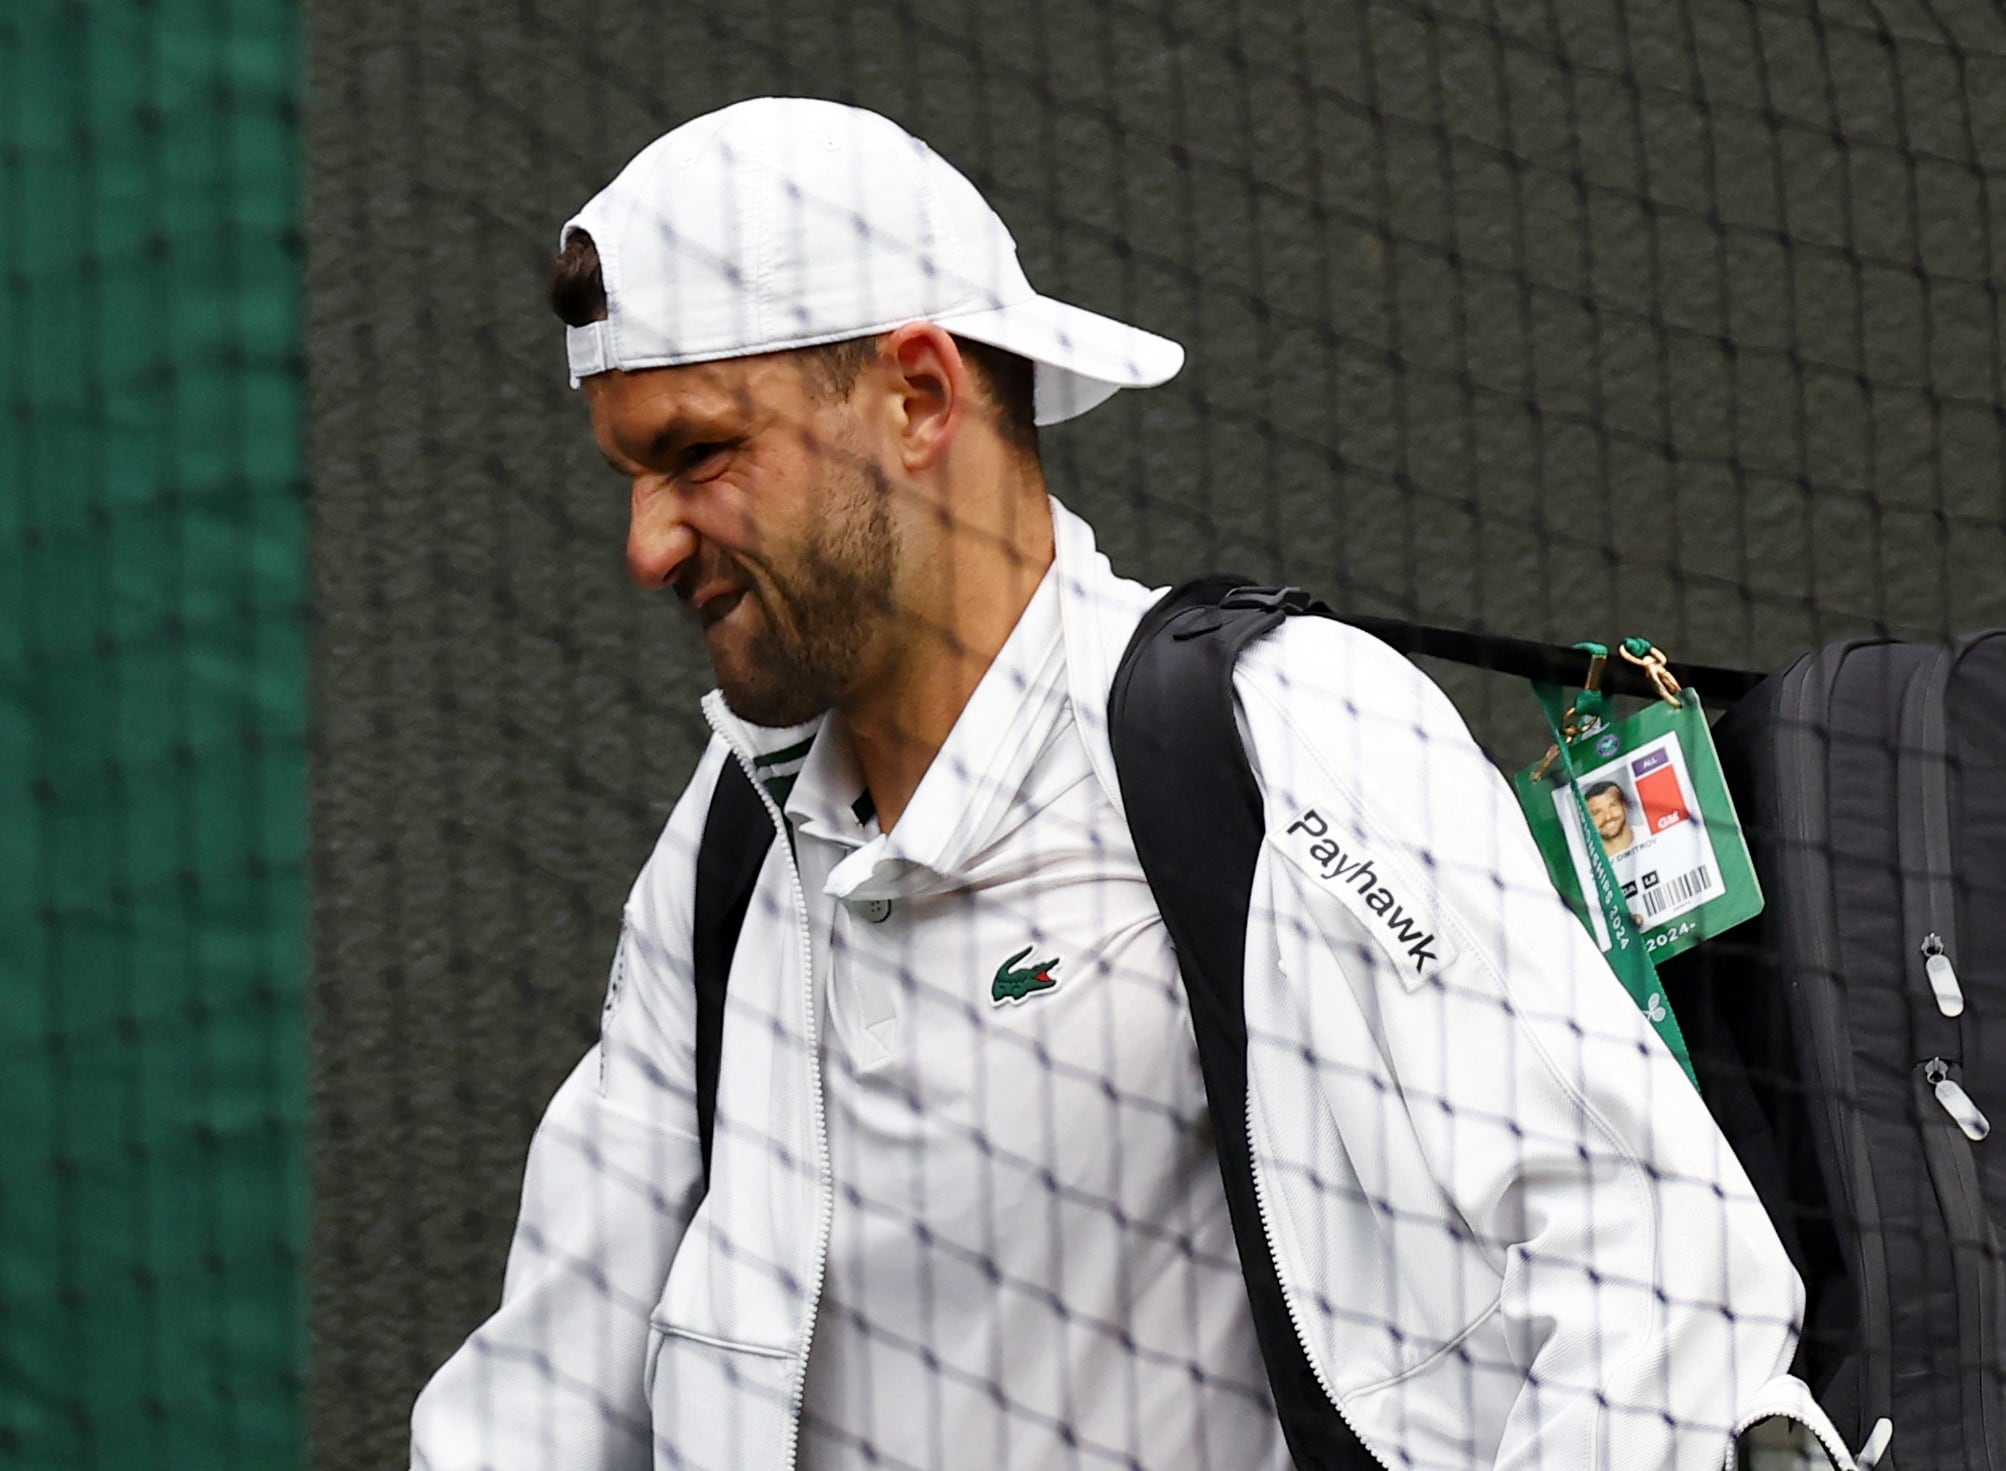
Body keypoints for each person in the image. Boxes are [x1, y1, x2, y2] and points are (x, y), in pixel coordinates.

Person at [410, 98, 1852, 1471]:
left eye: (700, 455)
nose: (648, 545)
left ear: (919, 395)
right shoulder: (727, 851)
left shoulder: (1283, 731)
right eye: (629, 474)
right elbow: (535, 1398)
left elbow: (1660, 1271)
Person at [1583, 780, 1637, 856]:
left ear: (1624, 806)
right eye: (1597, 812)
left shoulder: (1648, 834)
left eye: (1612, 806)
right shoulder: (1586, 859)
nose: (1608, 817)